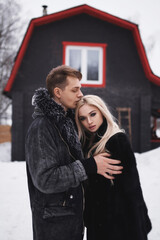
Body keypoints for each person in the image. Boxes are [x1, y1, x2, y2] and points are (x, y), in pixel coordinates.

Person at [25, 65, 123, 240]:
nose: (80, 94)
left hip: (71, 222)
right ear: (58, 92)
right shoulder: (42, 127)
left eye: (81, 89)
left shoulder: (68, 123)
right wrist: (89, 166)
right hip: (54, 228)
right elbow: (45, 180)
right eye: (75, 89)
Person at [75, 95, 152, 240]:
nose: (89, 121)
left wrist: (137, 232)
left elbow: (132, 190)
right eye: (82, 118)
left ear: (102, 112)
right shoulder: (87, 143)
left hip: (120, 227)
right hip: (98, 225)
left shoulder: (116, 141)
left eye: (93, 114)